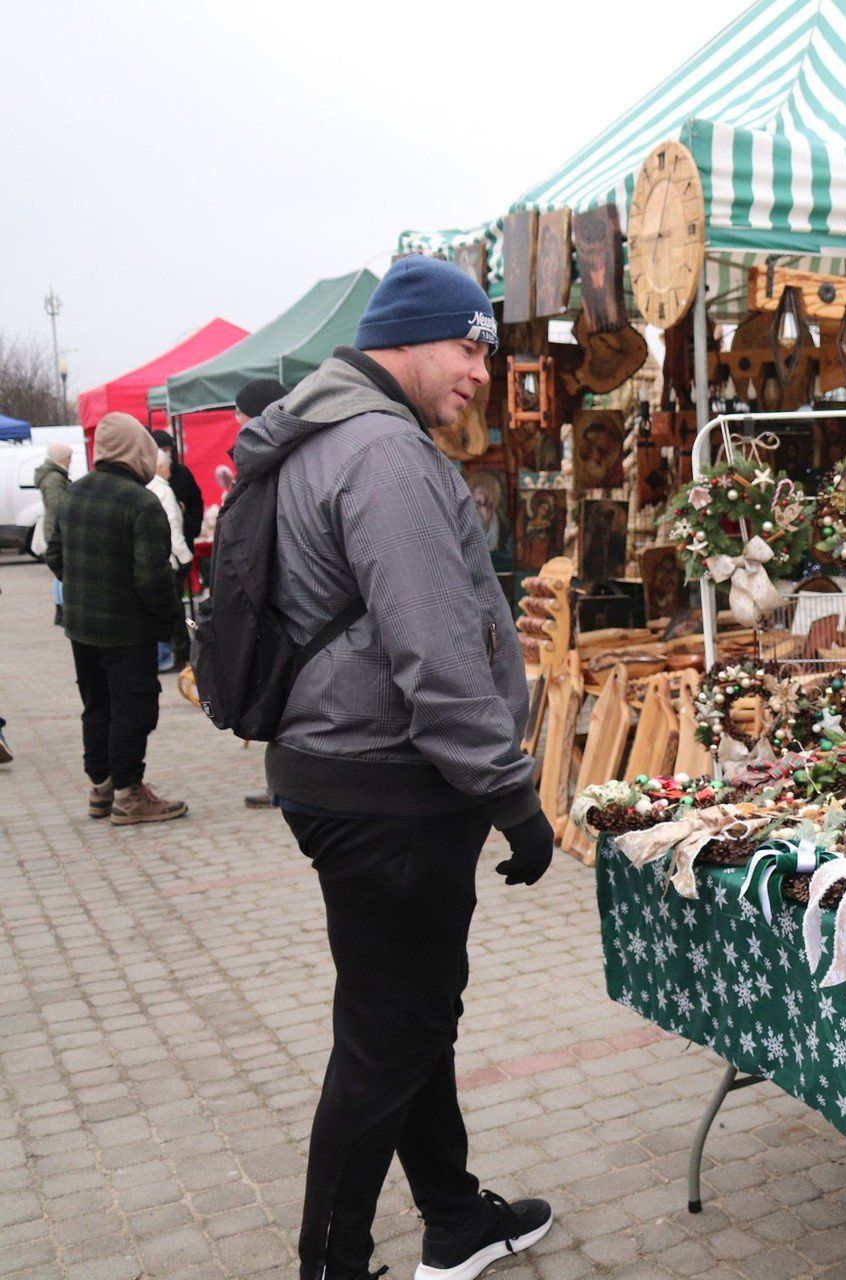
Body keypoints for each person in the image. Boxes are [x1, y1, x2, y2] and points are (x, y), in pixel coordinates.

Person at [232, 255, 553, 1280]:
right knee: (385, 1039)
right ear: (407, 338)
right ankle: (332, 1263)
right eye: (468, 347)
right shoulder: (383, 452)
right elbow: (436, 651)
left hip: (344, 772)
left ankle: (454, 1216)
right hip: (389, 791)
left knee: (409, 1017)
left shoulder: (330, 433)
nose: (481, 374)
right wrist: (511, 793)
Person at [44, 413, 188, 825]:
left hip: (82, 628)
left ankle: (101, 787)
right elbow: (152, 578)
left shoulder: (74, 493)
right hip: (127, 630)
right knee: (133, 708)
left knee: (97, 705)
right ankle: (129, 794)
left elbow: (55, 556)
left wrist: (85, 591)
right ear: (135, 450)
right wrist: (173, 625)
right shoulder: (141, 502)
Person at [229, 378, 288, 809]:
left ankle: (283, 783)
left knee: (282, 694)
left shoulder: (270, 461)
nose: (235, 422)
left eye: (239, 414)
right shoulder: (262, 459)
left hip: (282, 600)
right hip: (274, 597)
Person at [146, 445, 193, 673]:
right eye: (168, 467)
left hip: (154, 558)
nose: (170, 472)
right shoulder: (164, 491)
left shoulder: (146, 488)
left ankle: (164, 655)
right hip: (170, 559)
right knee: (174, 610)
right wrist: (185, 556)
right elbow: (172, 527)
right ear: (159, 467)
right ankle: (180, 655)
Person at [34, 441, 73, 624]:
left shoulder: (53, 475)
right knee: (62, 571)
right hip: (58, 528)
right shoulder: (55, 478)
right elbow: (58, 505)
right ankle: (61, 610)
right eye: (69, 457)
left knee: (60, 571)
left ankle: (61, 608)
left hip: (54, 527)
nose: (71, 460)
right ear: (62, 458)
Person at [151, 429, 206, 543]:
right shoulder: (147, 476)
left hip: (185, 534)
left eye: (169, 450)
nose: (167, 454)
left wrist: (191, 526)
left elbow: (196, 501)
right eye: (163, 450)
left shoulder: (182, 473)